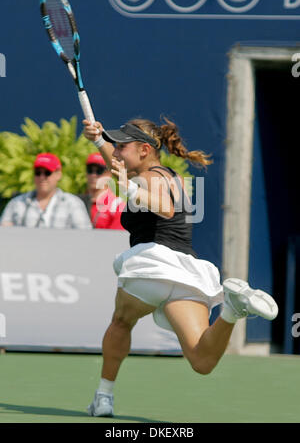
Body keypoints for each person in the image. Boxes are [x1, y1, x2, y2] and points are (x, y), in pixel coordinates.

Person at [83, 117, 279, 418]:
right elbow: (120, 165)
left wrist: (128, 189)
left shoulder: (147, 180)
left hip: (152, 266)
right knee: (202, 360)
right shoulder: (165, 174)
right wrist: (99, 140)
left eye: (122, 146)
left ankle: (104, 397)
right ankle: (232, 311)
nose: (117, 152)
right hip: (185, 273)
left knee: (121, 322)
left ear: (145, 149)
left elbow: (164, 207)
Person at [0, 153, 92, 229]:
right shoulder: (16, 203)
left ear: (58, 174)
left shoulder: (73, 203)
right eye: (38, 173)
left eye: (47, 173)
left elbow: (85, 237)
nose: (42, 177)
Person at [79, 153, 125, 229]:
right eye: (90, 170)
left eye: (99, 171)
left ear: (109, 174)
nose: (93, 175)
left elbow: (116, 239)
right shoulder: (78, 201)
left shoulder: (117, 206)